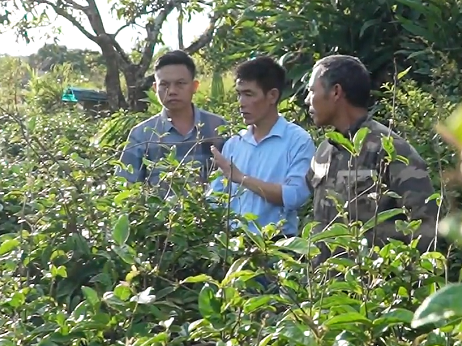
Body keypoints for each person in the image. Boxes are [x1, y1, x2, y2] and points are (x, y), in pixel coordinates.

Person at [305, 54, 438, 261]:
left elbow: (425, 228)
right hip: (324, 279)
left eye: (313, 90)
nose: (307, 100)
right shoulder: (324, 151)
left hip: (371, 278)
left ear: (336, 92)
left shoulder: (391, 150)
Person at [209, 56, 315, 237]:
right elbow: (214, 199)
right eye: (239, 94)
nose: (241, 102)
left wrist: (242, 178)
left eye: (249, 94)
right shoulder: (234, 143)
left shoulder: (298, 141)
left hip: (277, 243)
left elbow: (294, 196)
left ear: (272, 95)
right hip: (233, 243)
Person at [116, 50, 227, 188]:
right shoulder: (142, 135)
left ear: (194, 86)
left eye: (180, 83)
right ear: (155, 88)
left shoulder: (218, 127)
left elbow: (235, 180)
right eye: (164, 85)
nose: (172, 91)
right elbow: (125, 187)